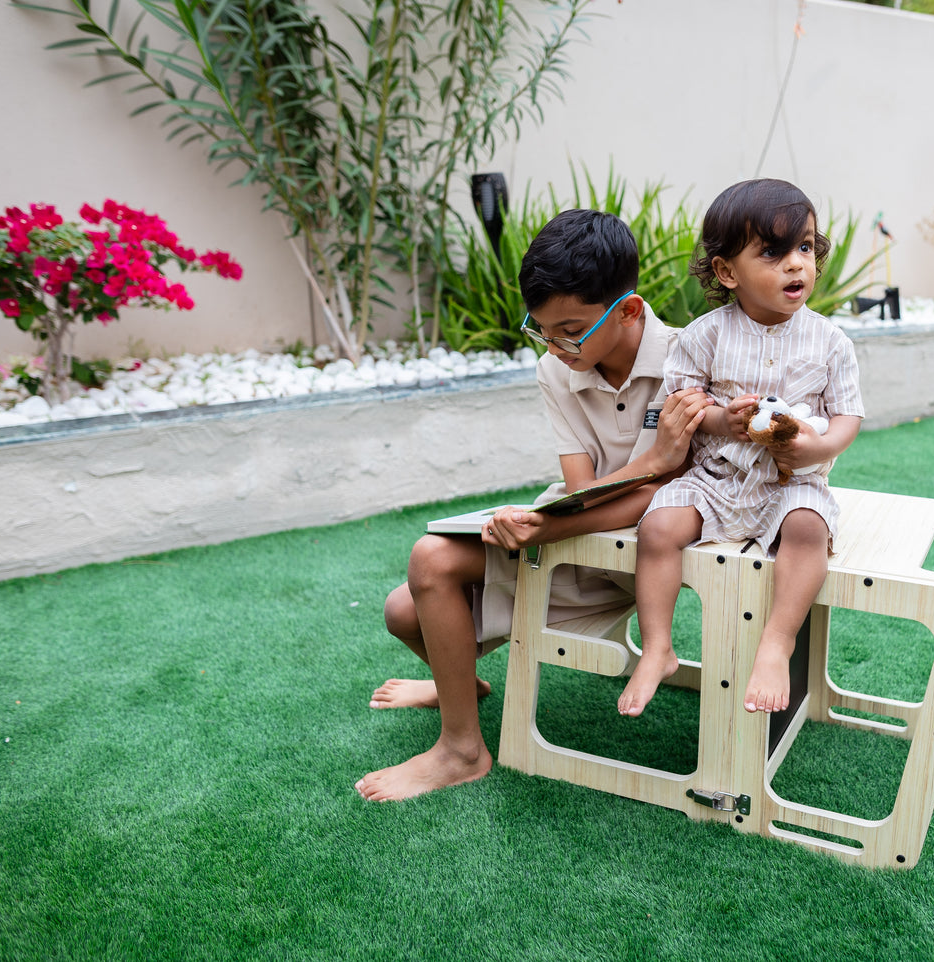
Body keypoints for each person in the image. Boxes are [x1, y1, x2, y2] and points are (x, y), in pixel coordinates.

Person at [356, 209, 710, 802]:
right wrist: (649, 464)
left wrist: (634, 483)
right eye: (540, 329)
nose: (554, 346)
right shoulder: (556, 366)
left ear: (627, 310)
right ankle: (458, 688)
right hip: (577, 533)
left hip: (646, 557)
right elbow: (581, 487)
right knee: (402, 610)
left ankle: (461, 750)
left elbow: (664, 498)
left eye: (569, 330)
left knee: (430, 560)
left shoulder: (687, 359)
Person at [616, 179, 865, 718]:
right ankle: (658, 646)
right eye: (772, 253)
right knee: (657, 528)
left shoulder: (830, 342)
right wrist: (722, 420)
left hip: (790, 484)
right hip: (715, 480)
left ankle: (777, 641)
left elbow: (849, 416)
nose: (796, 264)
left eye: (805, 247)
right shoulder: (704, 335)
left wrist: (819, 447)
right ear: (728, 272)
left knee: (808, 529)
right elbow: (683, 404)